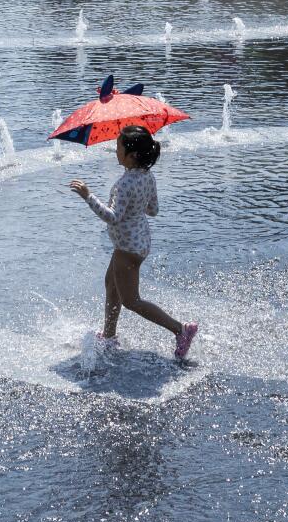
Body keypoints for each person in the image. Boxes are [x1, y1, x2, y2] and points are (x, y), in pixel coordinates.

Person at [69, 125, 197, 360]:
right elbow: (154, 209)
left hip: (127, 248)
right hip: (139, 242)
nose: (115, 151)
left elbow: (113, 216)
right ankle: (108, 336)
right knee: (111, 283)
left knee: (131, 300)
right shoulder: (147, 176)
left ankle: (180, 330)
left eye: (118, 147)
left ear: (132, 154)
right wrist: (136, 206)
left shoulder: (124, 184)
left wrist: (88, 196)